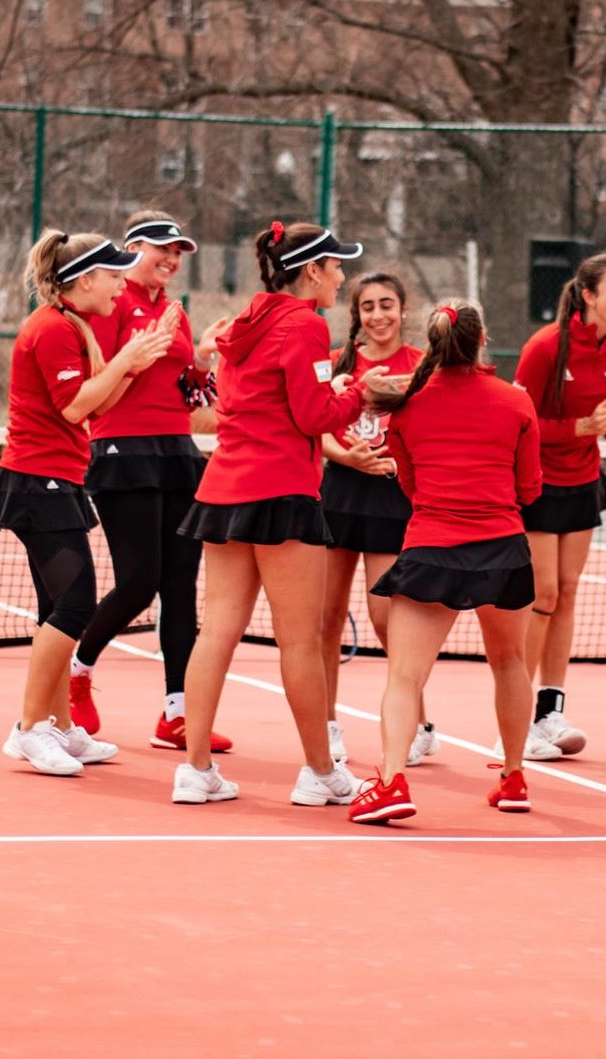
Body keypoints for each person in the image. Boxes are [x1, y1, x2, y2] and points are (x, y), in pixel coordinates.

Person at [170, 220, 373, 807]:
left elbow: (256, 401)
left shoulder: (243, 324)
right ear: (311, 270)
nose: (341, 277)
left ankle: (195, 769)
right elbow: (314, 416)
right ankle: (320, 773)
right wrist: (361, 389)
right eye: (336, 266)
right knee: (302, 643)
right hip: (281, 494)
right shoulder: (306, 325)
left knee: (217, 632)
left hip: (225, 489)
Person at [0, 229, 174, 776]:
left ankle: (62, 729)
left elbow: (97, 405)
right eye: (113, 275)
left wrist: (132, 365)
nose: (121, 284)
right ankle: (27, 729)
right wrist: (123, 360)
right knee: (75, 606)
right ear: (84, 279)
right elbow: (73, 407)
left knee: (55, 611)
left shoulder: (73, 326)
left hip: (56, 481)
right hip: (36, 484)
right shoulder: (51, 330)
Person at [347, 301, 544, 824]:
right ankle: (515, 775)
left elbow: (408, 483)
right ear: (483, 341)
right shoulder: (516, 403)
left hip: (432, 547)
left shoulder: (407, 405)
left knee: (405, 677)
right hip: (503, 549)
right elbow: (530, 488)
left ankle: (391, 782)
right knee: (511, 663)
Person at [70, 211, 235, 755]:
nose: (170, 258)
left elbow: (189, 397)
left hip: (176, 453)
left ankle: (177, 714)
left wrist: (204, 359)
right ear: (132, 248)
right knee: (139, 580)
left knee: (181, 589)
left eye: (178, 251)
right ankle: (77, 670)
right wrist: (142, 353)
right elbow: (100, 383)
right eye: (160, 248)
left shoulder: (175, 313)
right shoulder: (110, 302)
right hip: (122, 450)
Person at [512, 250, 606, 761]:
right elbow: (519, 424)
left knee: (567, 594)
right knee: (543, 594)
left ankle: (550, 710)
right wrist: (578, 428)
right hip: (538, 481)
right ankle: (519, 715)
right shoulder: (546, 347)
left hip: (584, 479)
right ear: (589, 295)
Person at [318, 272, 439, 767]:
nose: (378, 315)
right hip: (339, 491)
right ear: (357, 315)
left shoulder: (421, 367)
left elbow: (431, 429)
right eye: (368, 307)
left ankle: (417, 724)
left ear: (403, 310)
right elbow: (316, 428)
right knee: (324, 620)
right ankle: (326, 728)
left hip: (392, 497)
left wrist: (389, 459)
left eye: (387, 304)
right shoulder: (337, 364)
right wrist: (350, 458)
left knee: (388, 618)